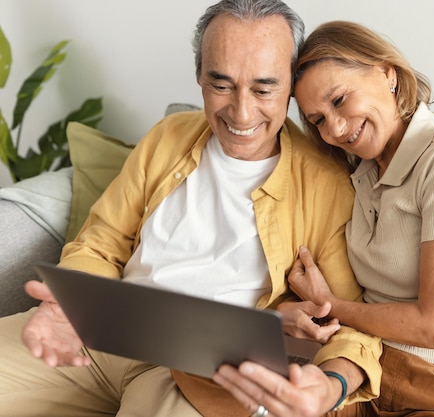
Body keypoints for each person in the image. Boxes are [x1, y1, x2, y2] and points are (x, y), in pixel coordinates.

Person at [0, 6, 383, 417]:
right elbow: (102, 241)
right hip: (103, 334)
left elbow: (353, 327)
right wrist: (66, 306)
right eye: (221, 85)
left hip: (202, 372)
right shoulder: (169, 135)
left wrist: (332, 384)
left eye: (263, 89)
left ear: (290, 85)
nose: (241, 112)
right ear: (200, 77)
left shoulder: (325, 183)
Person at [214, 20, 434, 417]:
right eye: (318, 120)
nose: (336, 128)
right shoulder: (361, 171)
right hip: (370, 372)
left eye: (340, 100)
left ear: (387, 74)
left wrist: (328, 303)